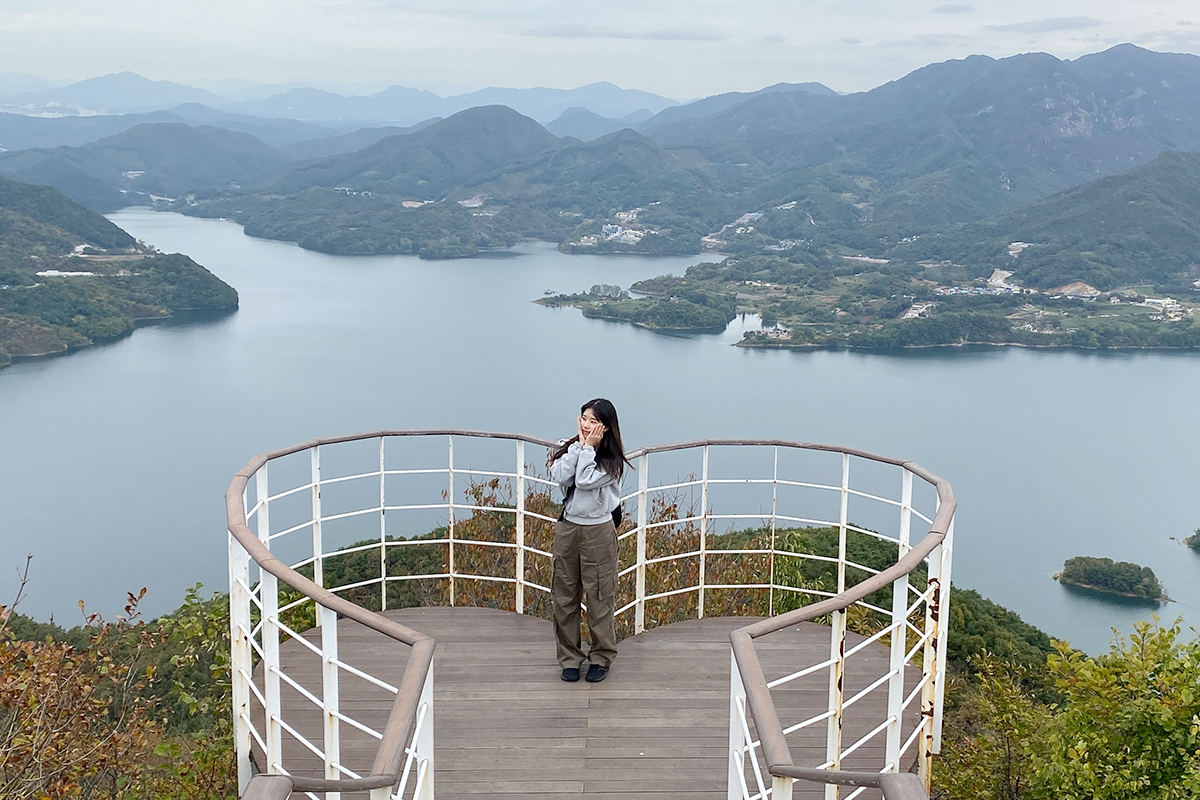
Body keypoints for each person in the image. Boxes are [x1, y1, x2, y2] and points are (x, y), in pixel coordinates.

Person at [548, 398, 629, 683]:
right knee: (564, 596)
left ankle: (601, 656)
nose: (586, 425)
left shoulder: (614, 462)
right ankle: (569, 658)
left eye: (593, 421)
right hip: (568, 529)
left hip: (598, 533)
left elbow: (582, 480)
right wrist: (580, 448)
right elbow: (557, 474)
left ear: (606, 427)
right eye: (584, 418)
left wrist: (587, 449)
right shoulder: (570, 447)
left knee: (599, 597)